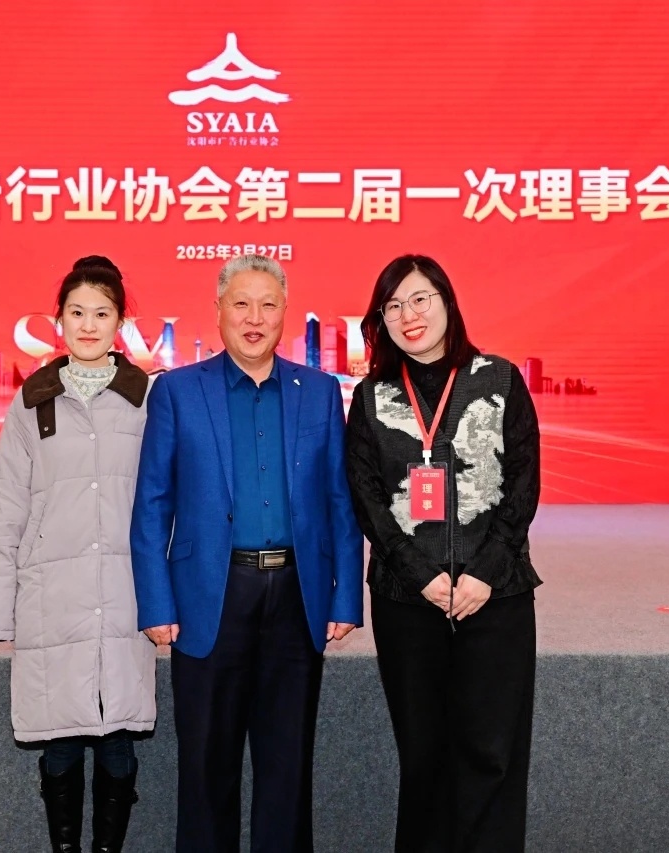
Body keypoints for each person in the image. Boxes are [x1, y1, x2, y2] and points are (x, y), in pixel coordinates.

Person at [130, 254, 364, 853]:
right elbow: (152, 503)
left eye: (267, 305)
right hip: (209, 595)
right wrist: (155, 603)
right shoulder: (177, 391)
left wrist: (345, 596)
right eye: (241, 304)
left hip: (297, 596)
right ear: (218, 311)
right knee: (206, 770)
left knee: (288, 769)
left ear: (285, 313)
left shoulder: (318, 392)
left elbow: (339, 500)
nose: (254, 318)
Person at [345, 254, 542, 853]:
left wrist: (483, 573)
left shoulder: (499, 380)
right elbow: (367, 498)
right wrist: (420, 575)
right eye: (393, 305)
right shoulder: (372, 397)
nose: (409, 315)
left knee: (492, 753)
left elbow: (524, 484)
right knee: (424, 755)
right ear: (381, 320)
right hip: (408, 600)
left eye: (420, 299)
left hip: (496, 595)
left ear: (447, 303)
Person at [0, 255, 156, 853]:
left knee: (118, 738)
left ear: (121, 322)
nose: (88, 325)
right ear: (59, 321)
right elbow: (4, 509)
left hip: (125, 592)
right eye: (77, 312)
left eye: (102, 313)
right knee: (60, 741)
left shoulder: (147, 398)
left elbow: (168, 503)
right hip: (51, 596)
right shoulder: (32, 401)